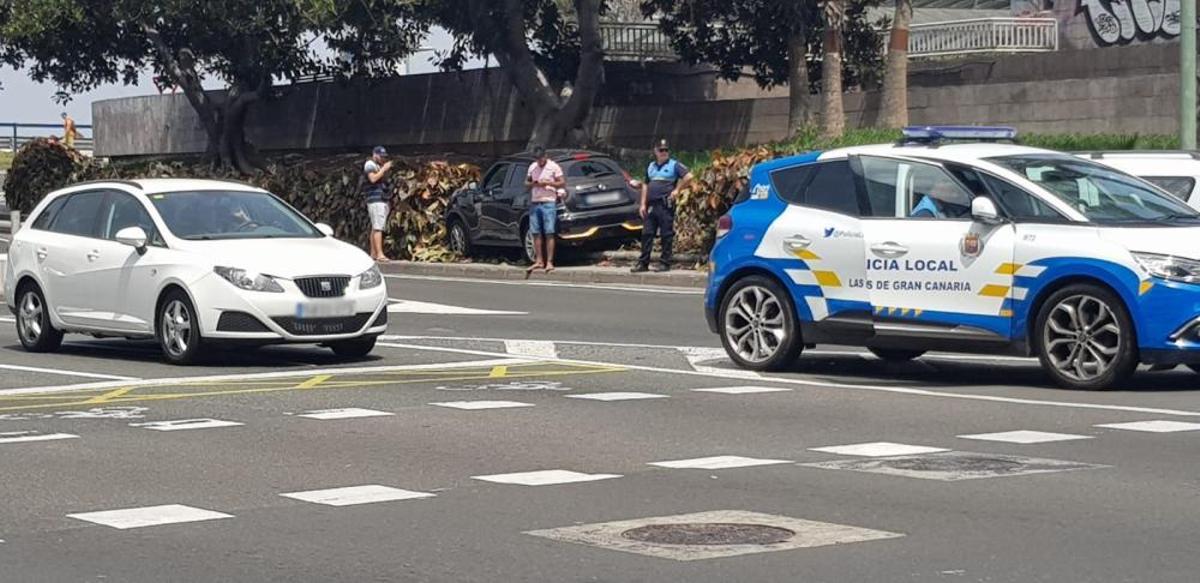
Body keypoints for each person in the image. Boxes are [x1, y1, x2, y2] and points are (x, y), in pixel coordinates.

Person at [634, 139, 691, 273]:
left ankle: (665, 263)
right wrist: (642, 204)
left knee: (666, 234)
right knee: (647, 234)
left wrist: (677, 190)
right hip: (651, 205)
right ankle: (643, 263)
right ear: (655, 151)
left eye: (666, 150)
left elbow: (689, 177)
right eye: (661, 150)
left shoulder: (674, 165)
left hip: (665, 205)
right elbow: (646, 185)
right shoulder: (651, 166)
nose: (664, 152)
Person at [524, 145, 565, 275]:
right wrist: (534, 184)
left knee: (549, 232)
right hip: (535, 201)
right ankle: (539, 260)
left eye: (541, 158)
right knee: (535, 232)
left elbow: (562, 182)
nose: (539, 161)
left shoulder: (554, 167)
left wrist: (548, 183)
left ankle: (550, 261)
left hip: (548, 201)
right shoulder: (532, 167)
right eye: (537, 159)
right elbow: (526, 183)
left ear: (545, 156)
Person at [362, 146, 394, 262]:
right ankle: (380, 254)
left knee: (375, 227)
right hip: (375, 200)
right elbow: (373, 179)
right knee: (378, 228)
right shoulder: (370, 164)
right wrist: (384, 169)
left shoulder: (378, 166)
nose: (382, 159)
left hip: (381, 199)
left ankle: (373, 253)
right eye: (380, 156)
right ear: (375, 155)